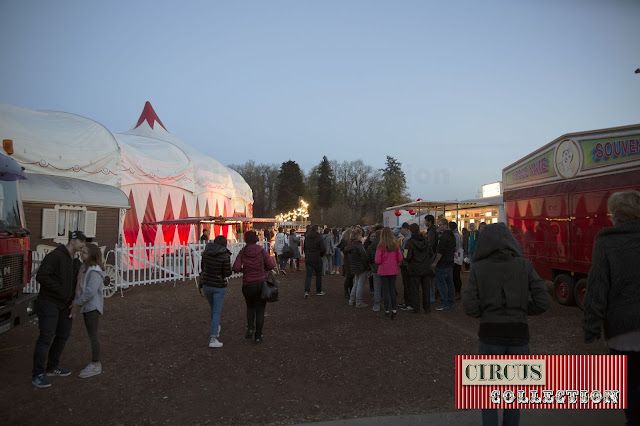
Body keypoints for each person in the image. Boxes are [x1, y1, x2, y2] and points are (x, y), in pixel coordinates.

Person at [462, 222, 550, 426]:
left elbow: (469, 305)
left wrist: (484, 312)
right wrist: (521, 309)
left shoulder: (479, 268)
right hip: (518, 334)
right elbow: (543, 301)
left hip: (489, 334)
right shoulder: (524, 265)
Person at [583, 191, 640, 425]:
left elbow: (597, 287)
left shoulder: (606, 239)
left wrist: (591, 326)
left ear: (615, 214)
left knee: (629, 388)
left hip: (622, 331)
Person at [32, 230, 86, 388]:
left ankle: (52, 367)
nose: (83, 244)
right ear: (72, 240)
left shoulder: (75, 261)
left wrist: (74, 300)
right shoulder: (55, 256)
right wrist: (61, 290)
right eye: (81, 241)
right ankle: (37, 374)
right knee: (46, 337)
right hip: (49, 302)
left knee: (63, 335)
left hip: (66, 305)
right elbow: (41, 276)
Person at [232, 231, 275, 344]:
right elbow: (271, 265)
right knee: (260, 310)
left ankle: (250, 327)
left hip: (247, 284)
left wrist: (244, 270)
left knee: (250, 307)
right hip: (260, 283)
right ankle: (258, 336)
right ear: (256, 239)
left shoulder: (243, 251)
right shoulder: (261, 251)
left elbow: (235, 267)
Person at [71, 243, 105, 378]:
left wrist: (77, 303)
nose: (81, 254)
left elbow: (90, 292)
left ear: (91, 255)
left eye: (84, 252)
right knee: (92, 334)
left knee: (93, 335)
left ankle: (96, 364)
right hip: (86, 305)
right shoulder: (85, 267)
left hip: (92, 307)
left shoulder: (94, 271)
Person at [199, 235, 232, 348]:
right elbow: (227, 272)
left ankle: (216, 327)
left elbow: (202, 267)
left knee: (213, 309)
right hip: (218, 285)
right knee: (216, 311)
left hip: (207, 284)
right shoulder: (225, 255)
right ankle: (213, 338)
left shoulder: (206, 252)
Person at [375, 227, 403, 319]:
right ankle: (394, 311)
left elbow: (377, 260)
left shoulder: (380, 245)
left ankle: (387, 311)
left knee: (385, 291)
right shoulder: (395, 244)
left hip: (383, 270)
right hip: (393, 269)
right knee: (392, 290)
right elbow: (400, 258)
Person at [404, 223, 432, 314]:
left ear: (410, 230)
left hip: (414, 269)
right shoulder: (425, 241)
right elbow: (430, 253)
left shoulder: (409, 243)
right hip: (425, 268)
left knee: (415, 290)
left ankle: (416, 308)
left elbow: (406, 256)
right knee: (426, 290)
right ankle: (427, 308)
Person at [431, 218, 456, 311]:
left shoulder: (444, 237)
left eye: (440, 224)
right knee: (450, 283)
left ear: (445, 225)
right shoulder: (452, 235)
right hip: (450, 262)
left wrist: (435, 262)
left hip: (443, 263)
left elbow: (440, 252)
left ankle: (444, 303)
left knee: (441, 284)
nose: (439, 226)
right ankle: (451, 301)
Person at [345, 228, 369, 308]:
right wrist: (367, 267)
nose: (361, 236)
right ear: (357, 235)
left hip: (354, 266)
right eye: (360, 235)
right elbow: (363, 257)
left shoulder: (350, 245)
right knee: (360, 285)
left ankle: (351, 300)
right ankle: (359, 302)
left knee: (356, 284)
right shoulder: (359, 245)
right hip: (361, 267)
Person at [302, 224, 326, 298]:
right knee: (318, 275)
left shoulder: (307, 237)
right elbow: (323, 248)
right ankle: (318, 290)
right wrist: (320, 255)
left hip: (309, 258)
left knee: (308, 275)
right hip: (317, 257)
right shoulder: (319, 237)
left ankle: (306, 291)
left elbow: (304, 247)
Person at [397, 222, 412, 311]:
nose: (400, 231)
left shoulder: (407, 239)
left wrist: (401, 258)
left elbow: (405, 252)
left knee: (407, 284)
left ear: (406, 228)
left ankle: (408, 303)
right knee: (407, 284)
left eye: (401, 229)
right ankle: (407, 302)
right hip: (406, 264)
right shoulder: (406, 238)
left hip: (406, 264)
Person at [366, 230, 382, 311]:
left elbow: (368, 258)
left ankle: (376, 305)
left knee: (377, 287)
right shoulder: (385, 245)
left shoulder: (370, 246)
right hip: (384, 267)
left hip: (375, 267)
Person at [425, 215, 438, 303]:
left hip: (431, 256)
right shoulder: (435, 230)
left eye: (425, 221)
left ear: (429, 221)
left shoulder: (431, 231)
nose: (424, 222)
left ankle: (431, 295)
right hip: (435, 255)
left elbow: (431, 244)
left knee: (430, 277)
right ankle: (434, 294)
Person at [339, 228, 354, 298]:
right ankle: (346, 291)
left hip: (347, 261)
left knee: (350, 277)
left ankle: (349, 291)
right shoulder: (345, 243)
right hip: (347, 261)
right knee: (349, 277)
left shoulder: (344, 242)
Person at [450, 221, 463, 298]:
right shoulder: (457, 235)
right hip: (456, 257)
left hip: (456, 258)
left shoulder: (456, 236)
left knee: (456, 275)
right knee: (456, 275)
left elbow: (456, 247)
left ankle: (457, 292)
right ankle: (457, 291)